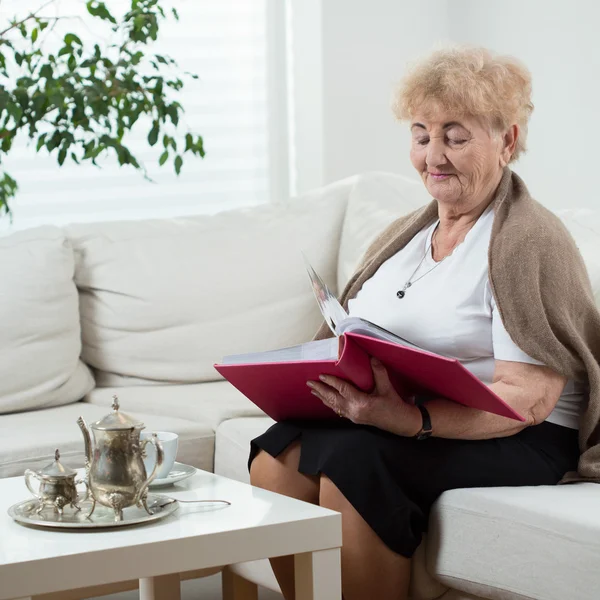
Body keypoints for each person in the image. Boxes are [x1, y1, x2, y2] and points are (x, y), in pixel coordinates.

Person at [248, 46, 600, 600]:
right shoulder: (409, 233)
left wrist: (411, 421)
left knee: (353, 458)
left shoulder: (527, 241)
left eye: (455, 138)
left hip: (522, 435)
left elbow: (527, 401)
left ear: (506, 141)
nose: (433, 156)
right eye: (421, 135)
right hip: (411, 410)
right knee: (276, 454)